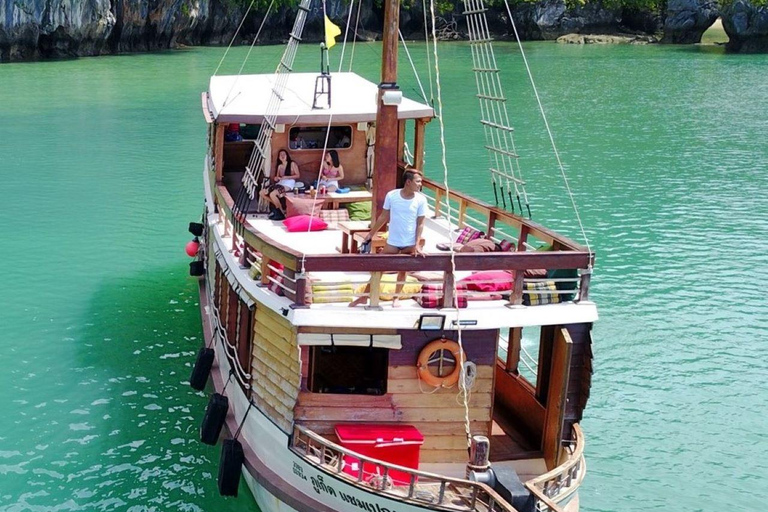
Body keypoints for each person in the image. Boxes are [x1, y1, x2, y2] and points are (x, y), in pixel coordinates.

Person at [349, 169, 427, 308]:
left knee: (403, 271)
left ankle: (396, 298)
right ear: (408, 182)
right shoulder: (392, 196)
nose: (421, 184)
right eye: (418, 181)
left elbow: (420, 223)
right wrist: (370, 234)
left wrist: (417, 244)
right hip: (393, 242)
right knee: (379, 269)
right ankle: (364, 297)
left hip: (409, 243)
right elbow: (383, 217)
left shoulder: (421, 199)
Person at [260, 149, 300, 220]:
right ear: (279, 157)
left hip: (289, 183)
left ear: (287, 155)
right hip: (280, 183)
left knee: (272, 194)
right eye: (280, 155)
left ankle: (281, 212)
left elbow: (298, 175)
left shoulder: (292, 164)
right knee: (262, 192)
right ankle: (279, 206)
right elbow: (277, 177)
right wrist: (276, 178)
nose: (282, 156)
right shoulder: (279, 166)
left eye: (284, 154)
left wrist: (286, 177)